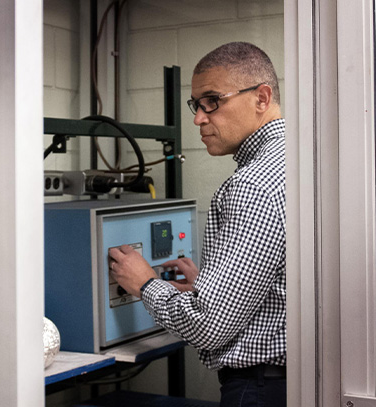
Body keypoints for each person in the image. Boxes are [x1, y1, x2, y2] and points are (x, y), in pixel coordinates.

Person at [109, 41, 286, 407]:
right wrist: (209, 286)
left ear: (261, 97)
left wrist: (145, 282)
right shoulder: (300, 160)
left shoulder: (252, 185)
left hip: (260, 389)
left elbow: (208, 327)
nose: (198, 118)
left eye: (213, 101)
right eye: (196, 105)